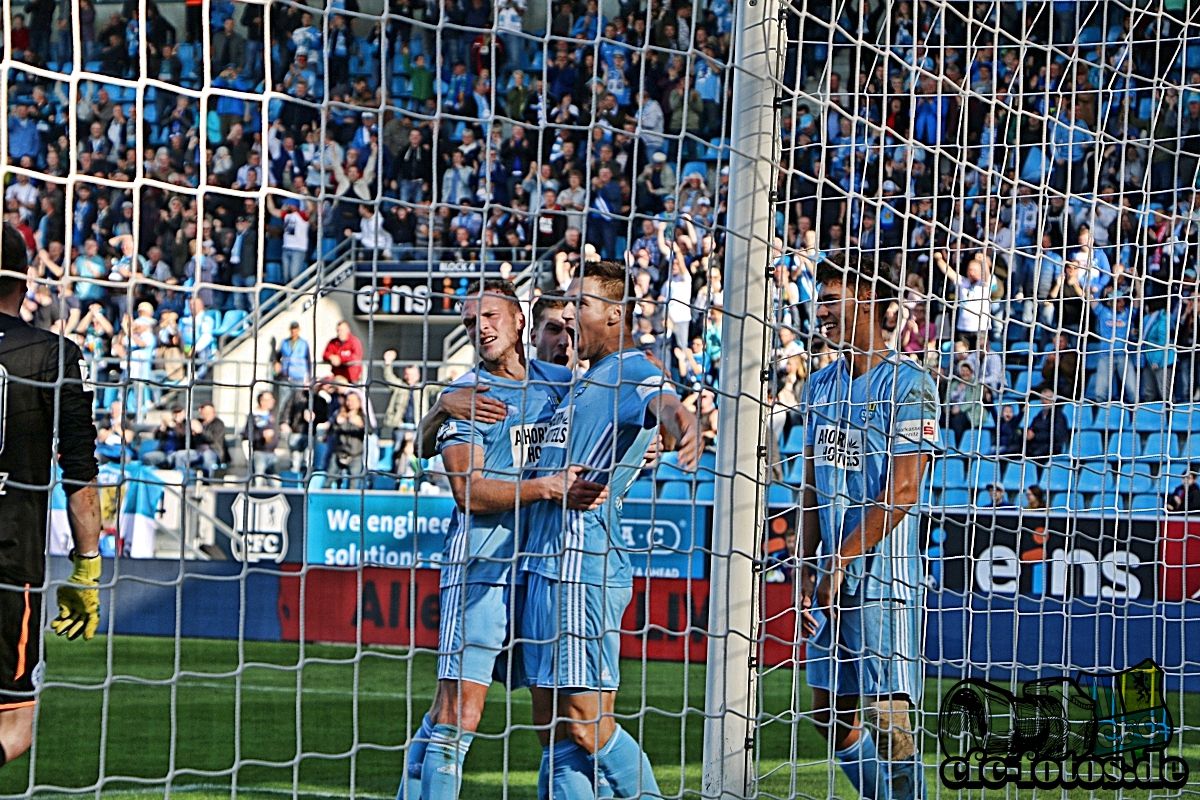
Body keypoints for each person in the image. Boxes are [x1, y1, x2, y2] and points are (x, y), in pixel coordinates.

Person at [397, 279, 603, 800]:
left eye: (489, 316)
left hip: (540, 573)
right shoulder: (468, 397)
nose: (480, 328)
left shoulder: (559, 384)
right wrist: (545, 487)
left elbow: (611, 419)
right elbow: (468, 492)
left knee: (556, 717)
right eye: (469, 322)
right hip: (481, 570)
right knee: (460, 713)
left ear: (518, 322)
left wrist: (647, 444)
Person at [521, 261, 700, 800]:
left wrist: (682, 426)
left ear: (615, 314)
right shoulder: (581, 382)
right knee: (554, 731)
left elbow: (663, 402)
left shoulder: (629, 370)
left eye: (582, 304)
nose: (570, 313)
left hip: (583, 565)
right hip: (543, 564)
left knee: (585, 724)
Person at [799, 251, 940, 800]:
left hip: (882, 580)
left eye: (832, 299)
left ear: (868, 301)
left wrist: (843, 559)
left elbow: (903, 490)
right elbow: (811, 484)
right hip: (830, 576)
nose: (821, 311)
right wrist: (807, 564)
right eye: (820, 299)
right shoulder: (818, 386)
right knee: (828, 715)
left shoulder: (911, 384)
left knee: (889, 723)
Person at [0, 222, 102, 764]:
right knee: (13, 731)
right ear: (25, 279)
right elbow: (80, 472)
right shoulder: (52, 354)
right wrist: (86, 571)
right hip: (9, 567)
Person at [326, 390, 369, 488]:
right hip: (338, 453)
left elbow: (370, 431)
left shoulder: (362, 416)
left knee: (353, 485)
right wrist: (337, 423)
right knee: (328, 482)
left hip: (355, 455)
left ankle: (351, 503)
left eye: (353, 400)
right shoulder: (339, 414)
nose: (350, 403)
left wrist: (361, 425)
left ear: (359, 402)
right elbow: (330, 432)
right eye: (348, 400)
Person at [245, 391, 279, 485]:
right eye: (269, 400)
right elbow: (247, 434)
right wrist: (261, 435)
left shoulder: (271, 415)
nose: (272, 402)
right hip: (259, 453)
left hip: (272, 453)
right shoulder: (253, 416)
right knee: (258, 480)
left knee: (275, 482)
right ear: (262, 401)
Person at [275, 321, 311, 385]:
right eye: (292, 329)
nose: (293, 331)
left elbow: (308, 361)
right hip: (285, 377)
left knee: (299, 395)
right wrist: (276, 363)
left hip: (299, 378)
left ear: (299, 329)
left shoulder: (304, 343)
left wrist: (309, 378)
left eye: (295, 328)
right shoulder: (284, 342)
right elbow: (278, 356)